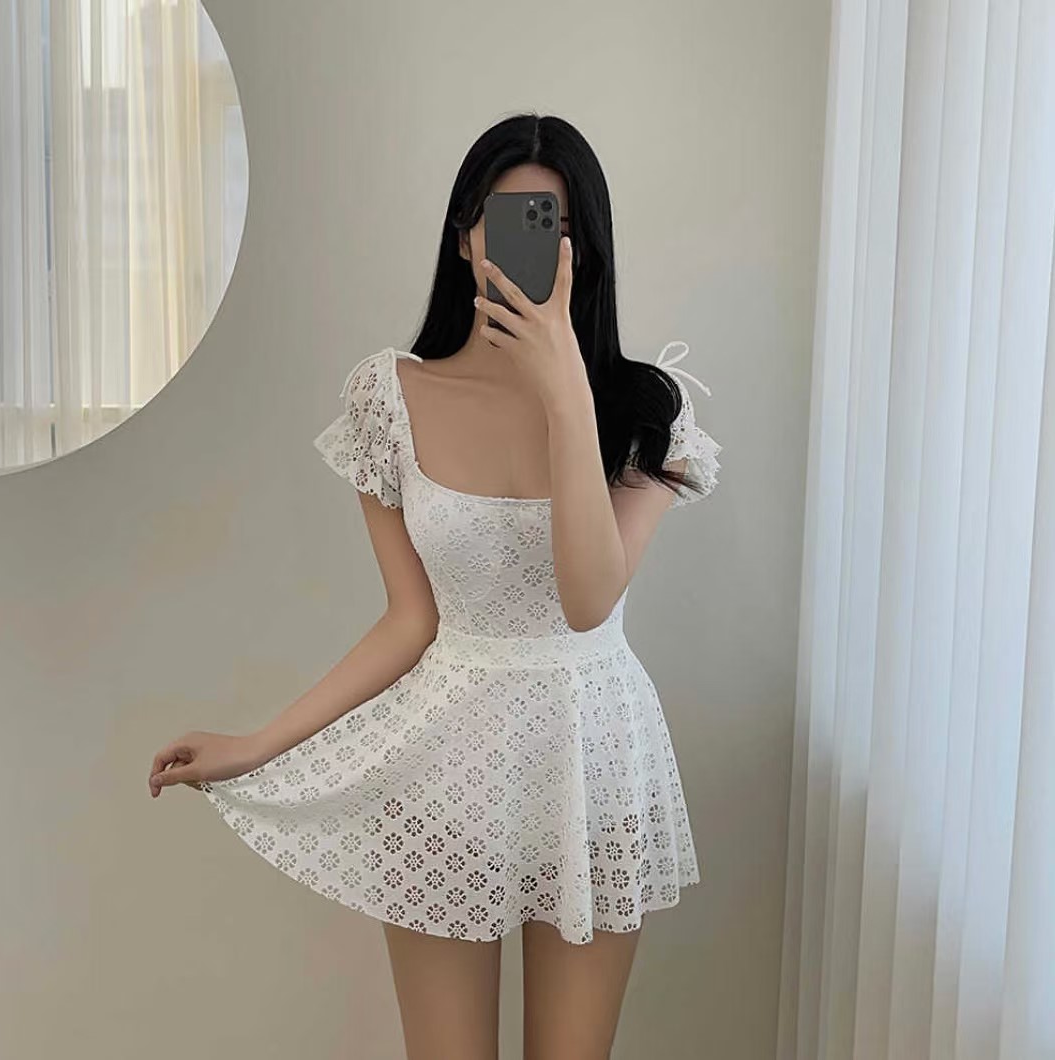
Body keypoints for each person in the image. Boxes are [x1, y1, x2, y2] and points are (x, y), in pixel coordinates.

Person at [148, 112, 722, 1060]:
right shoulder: (390, 397)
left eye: (554, 224)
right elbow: (410, 620)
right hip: (445, 764)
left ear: (584, 249)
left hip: (595, 764)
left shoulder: (645, 409)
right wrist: (254, 746)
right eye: (507, 219)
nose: (530, 244)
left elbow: (588, 603)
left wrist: (565, 391)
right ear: (465, 237)